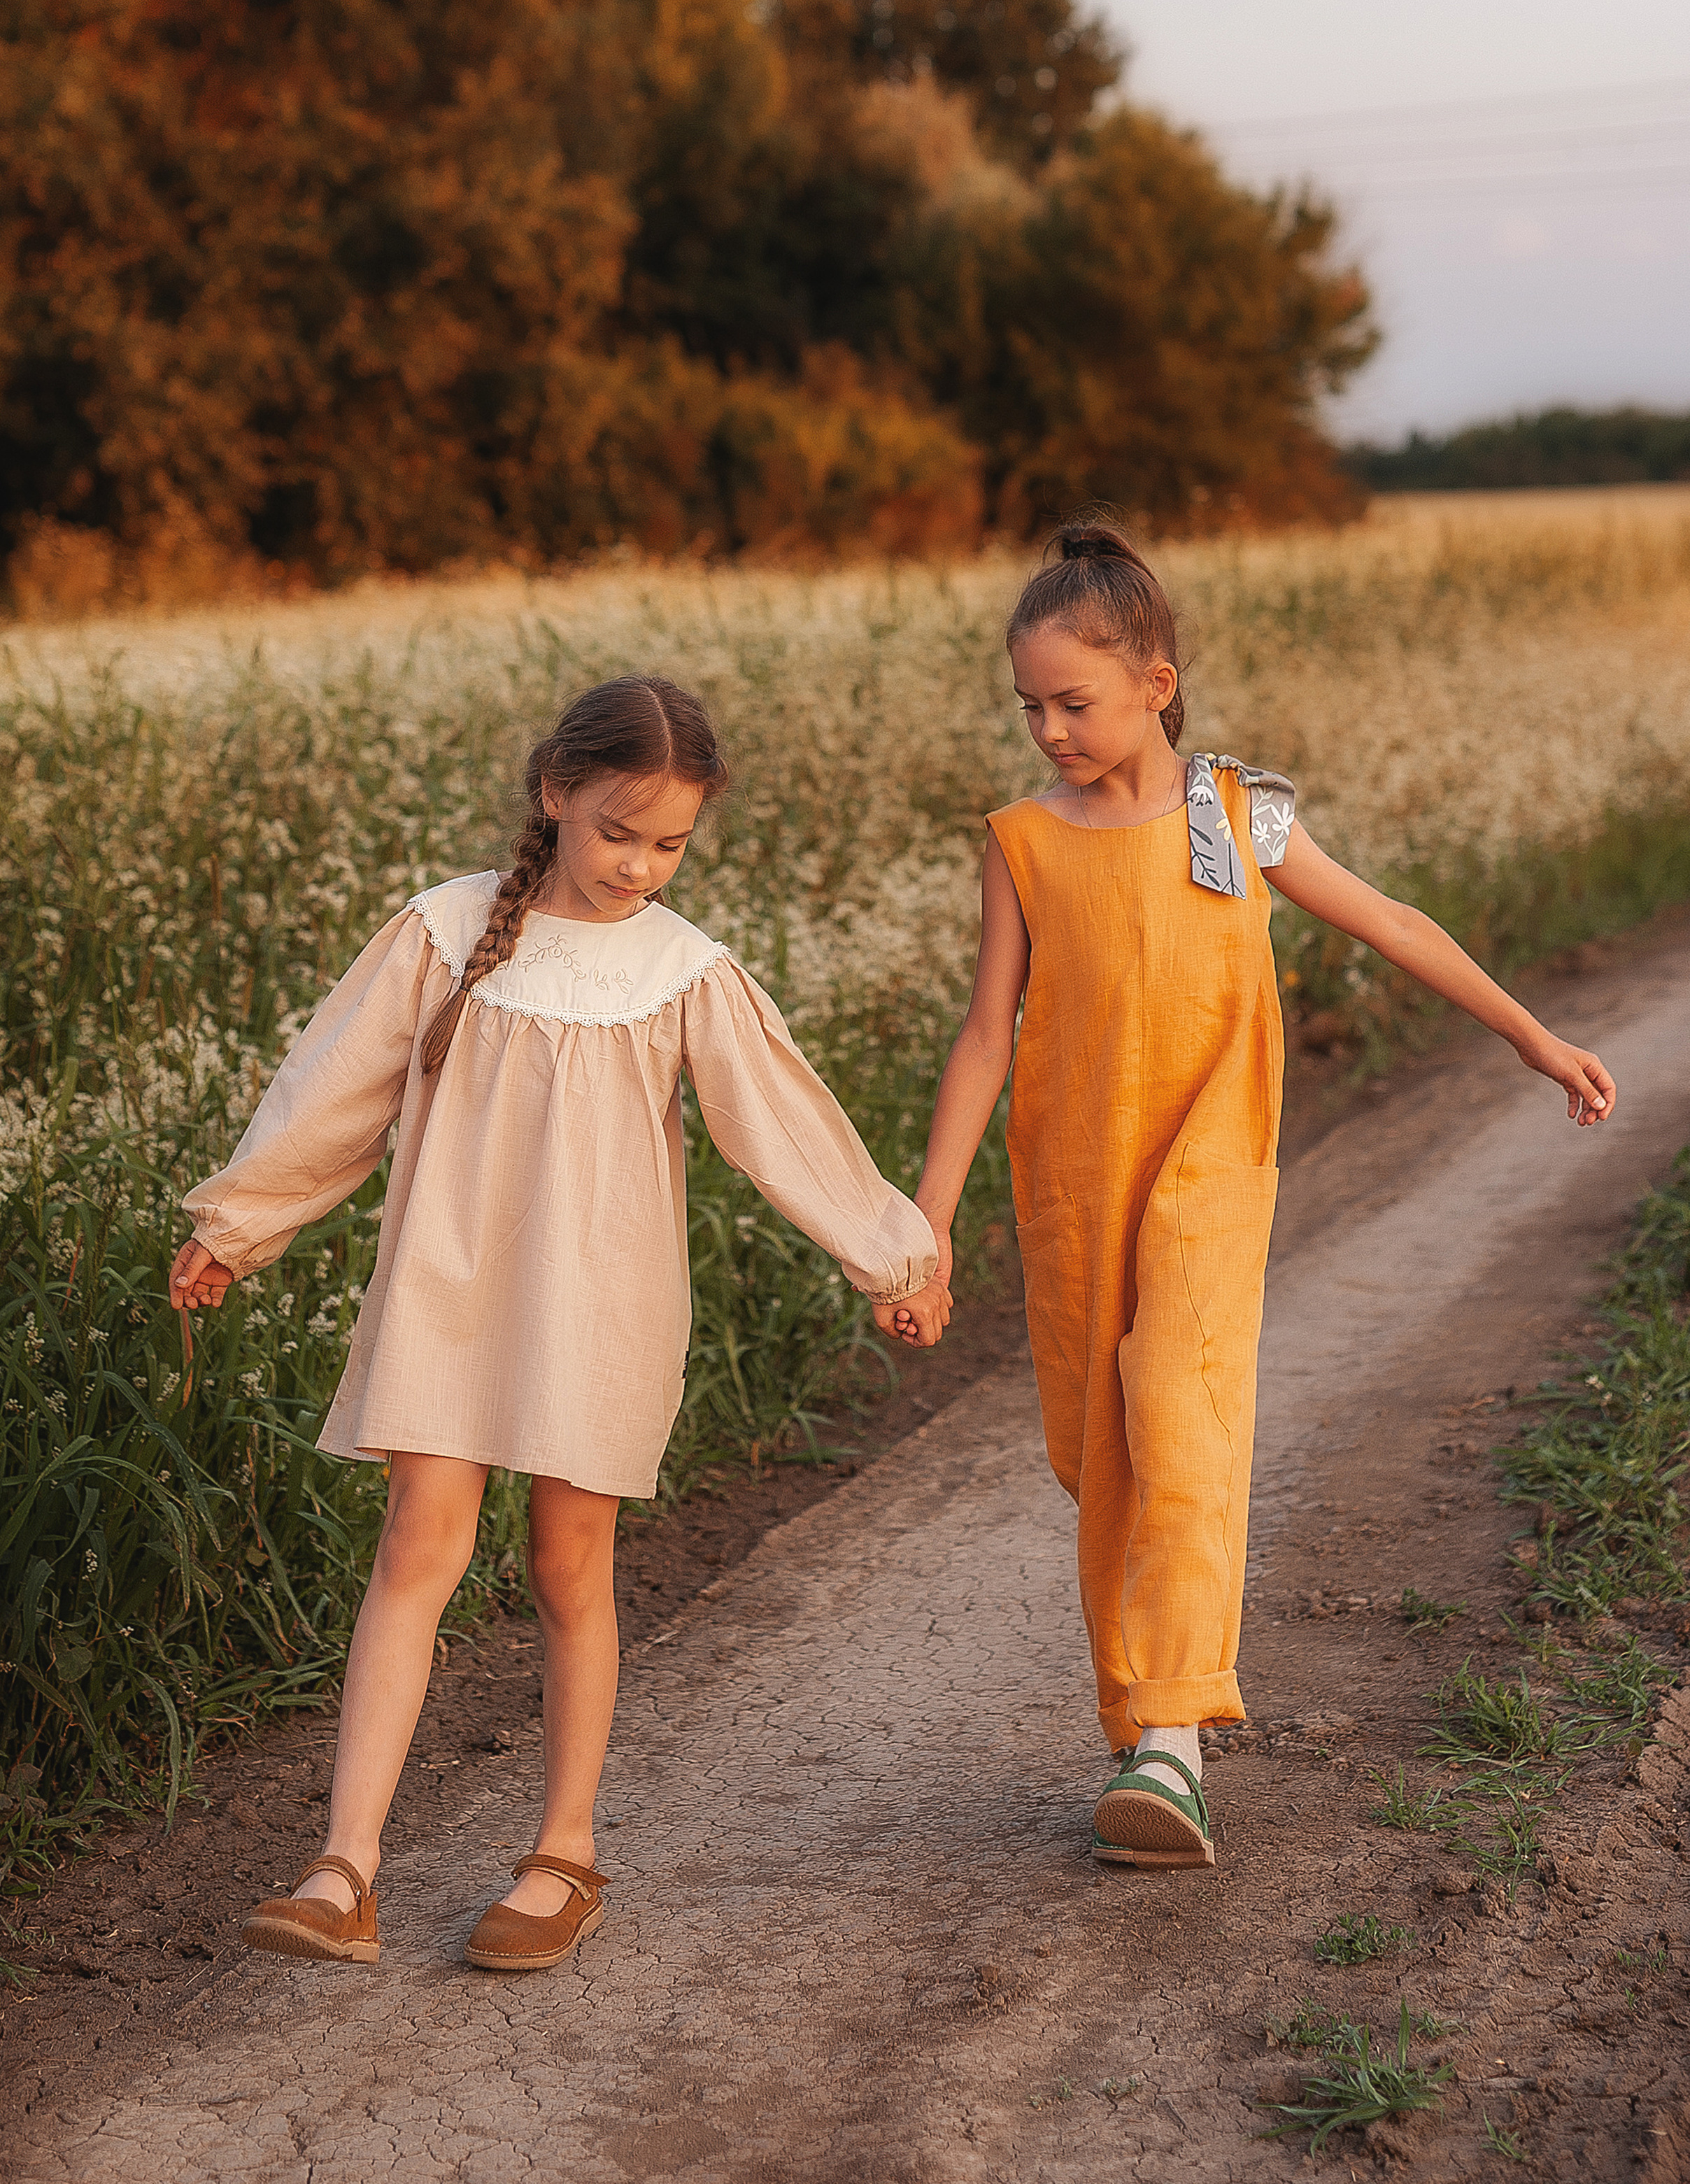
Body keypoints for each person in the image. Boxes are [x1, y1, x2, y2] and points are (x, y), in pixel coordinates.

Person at [170, 675, 949, 1970]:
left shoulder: (684, 972)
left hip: (602, 1306)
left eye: (669, 845)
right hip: (452, 1283)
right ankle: (343, 1865)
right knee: (418, 1544)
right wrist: (243, 1224)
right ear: (555, 796)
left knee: (564, 1567)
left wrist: (892, 1256)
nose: (640, 867)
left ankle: (563, 1853)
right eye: (617, 833)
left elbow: (786, 1135)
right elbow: (333, 1093)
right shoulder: (442, 930)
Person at [912, 518, 1615, 1871]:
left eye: (1075, 701)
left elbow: (1393, 919)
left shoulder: (1243, 813)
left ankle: (1172, 1739)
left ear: (1156, 686)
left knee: (1181, 1416)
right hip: (1069, 1185)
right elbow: (987, 1034)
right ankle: (1138, 1718)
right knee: (1098, 1450)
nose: (1050, 730)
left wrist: (1531, 1037)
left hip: (1210, 1173)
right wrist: (928, 1221)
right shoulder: (1018, 841)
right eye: (1031, 706)